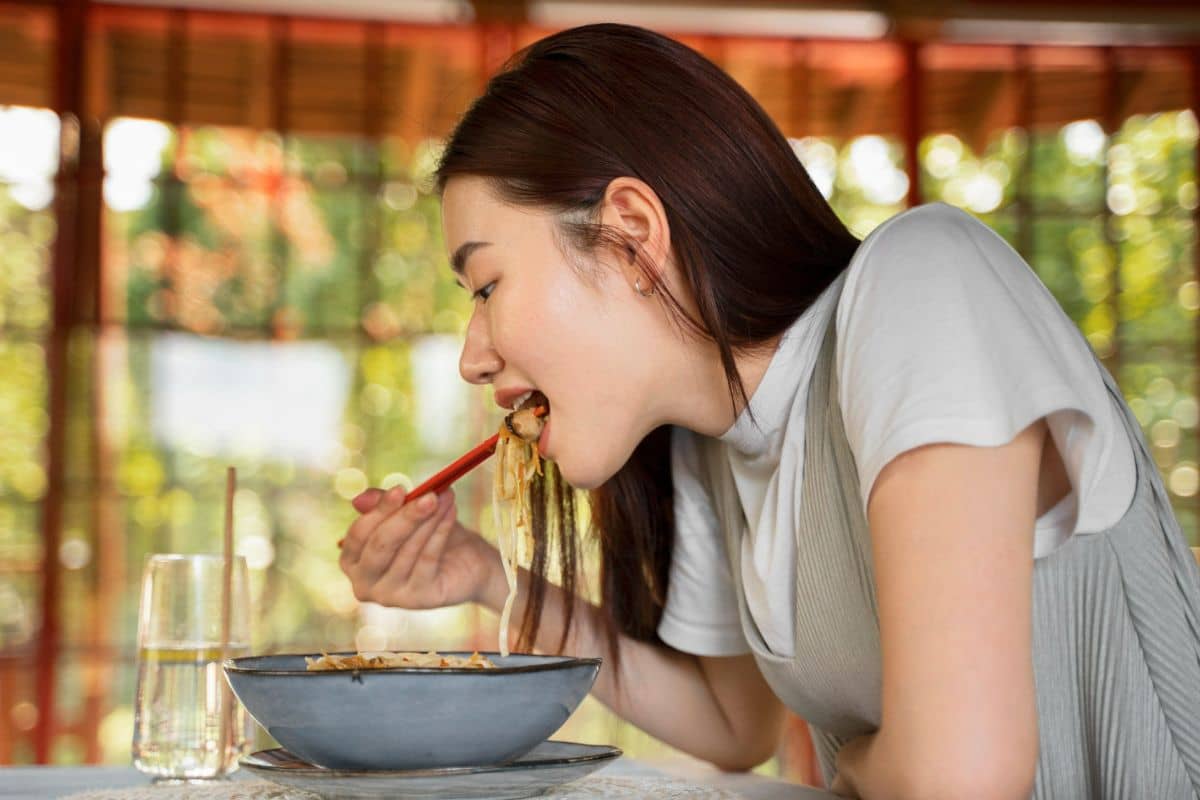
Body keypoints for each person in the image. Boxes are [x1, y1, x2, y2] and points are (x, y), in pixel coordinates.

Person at [337, 23, 1200, 799]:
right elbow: (732, 727)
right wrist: (491, 577)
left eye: (487, 285)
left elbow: (957, 779)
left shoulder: (924, 284)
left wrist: (855, 766)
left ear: (631, 234)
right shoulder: (714, 441)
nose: (470, 355)